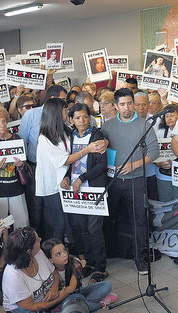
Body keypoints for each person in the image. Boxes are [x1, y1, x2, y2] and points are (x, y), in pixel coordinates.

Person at [101, 88, 159, 273]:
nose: (127, 108)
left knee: (139, 221)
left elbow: (155, 152)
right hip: (113, 181)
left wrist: (134, 165)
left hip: (136, 180)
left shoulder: (144, 125)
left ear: (134, 103)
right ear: (116, 106)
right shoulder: (107, 127)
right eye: (122, 104)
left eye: (129, 103)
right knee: (109, 218)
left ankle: (140, 258)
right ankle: (111, 252)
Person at [35, 98, 105, 241]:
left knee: (71, 223)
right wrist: (88, 149)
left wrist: (105, 141)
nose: (67, 112)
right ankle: (56, 257)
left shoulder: (66, 130)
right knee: (59, 223)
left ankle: (74, 254)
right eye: (65, 110)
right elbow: (65, 160)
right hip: (52, 185)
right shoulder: (45, 137)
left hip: (66, 182)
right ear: (56, 113)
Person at [64, 103, 109, 284]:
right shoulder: (69, 136)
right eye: (77, 117)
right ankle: (89, 262)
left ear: (89, 117)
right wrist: (66, 176)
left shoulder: (97, 135)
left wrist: (81, 178)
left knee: (94, 229)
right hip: (76, 189)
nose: (81, 120)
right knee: (82, 228)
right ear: (71, 120)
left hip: (93, 187)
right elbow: (67, 160)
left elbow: (101, 165)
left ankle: (100, 267)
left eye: (84, 116)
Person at [19, 85, 68, 235]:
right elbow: (22, 140)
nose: (65, 104)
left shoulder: (62, 119)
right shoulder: (32, 115)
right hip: (35, 167)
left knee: (54, 210)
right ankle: (37, 241)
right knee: (36, 207)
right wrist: (25, 165)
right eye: (63, 100)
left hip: (59, 170)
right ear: (53, 99)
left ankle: (52, 243)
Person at [2, 227, 85, 312]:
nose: (40, 239)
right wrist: (61, 296)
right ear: (28, 251)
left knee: (80, 296)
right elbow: (30, 307)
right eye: (37, 240)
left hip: (48, 303)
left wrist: (54, 289)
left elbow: (55, 273)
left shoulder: (38, 253)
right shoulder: (13, 276)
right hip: (29, 310)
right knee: (77, 301)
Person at [0, 105, 29, 228]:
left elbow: (24, 164)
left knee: (21, 223)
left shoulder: (16, 139)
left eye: (3, 121)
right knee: (2, 225)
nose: (2, 125)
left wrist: (20, 165)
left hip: (16, 189)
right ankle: (5, 246)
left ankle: (22, 246)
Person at [41, 239, 117, 311]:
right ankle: (99, 304)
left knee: (107, 285)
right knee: (77, 298)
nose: (64, 255)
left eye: (64, 250)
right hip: (62, 299)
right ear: (50, 260)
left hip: (77, 292)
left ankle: (75, 306)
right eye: (58, 254)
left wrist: (63, 292)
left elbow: (72, 288)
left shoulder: (74, 262)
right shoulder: (48, 272)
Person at [155, 104, 178, 202]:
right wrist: (158, 163)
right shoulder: (160, 132)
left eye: (172, 115)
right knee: (165, 202)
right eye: (166, 116)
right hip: (163, 174)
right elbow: (154, 151)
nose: (169, 118)